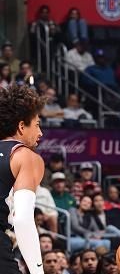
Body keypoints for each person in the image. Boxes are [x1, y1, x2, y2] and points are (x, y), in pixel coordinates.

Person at [0, 85, 46, 274]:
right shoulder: (24, 156)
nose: (40, 132)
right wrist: (37, 272)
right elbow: (23, 220)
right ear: (21, 126)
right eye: (36, 124)